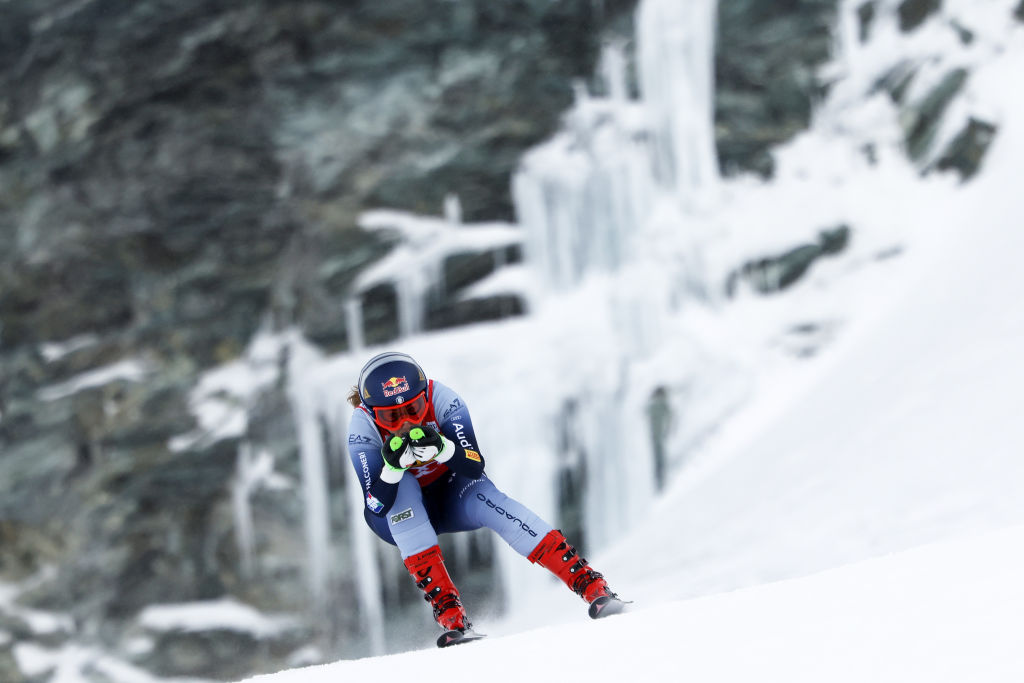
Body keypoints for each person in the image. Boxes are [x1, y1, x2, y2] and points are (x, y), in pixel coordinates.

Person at [345, 351, 623, 638]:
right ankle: (450, 614)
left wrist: (443, 449)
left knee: (489, 502)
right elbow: (376, 505)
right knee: (402, 491)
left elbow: (474, 465)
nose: (406, 424)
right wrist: (391, 468)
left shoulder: (443, 399)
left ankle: (590, 585)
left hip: (454, 492)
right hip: (399, 512)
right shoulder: (361, 428)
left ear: (425, 396)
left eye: (414, 409)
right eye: (391, 417)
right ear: (372, 413)